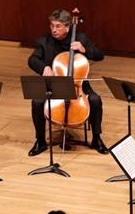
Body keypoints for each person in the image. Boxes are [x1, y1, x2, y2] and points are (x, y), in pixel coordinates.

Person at [27, 9, 106, 156]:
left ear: (68, 27)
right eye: (52, 26)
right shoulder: (44, 41)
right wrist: (44, 67)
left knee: (95, 100)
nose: (54, 30)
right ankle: (40, 141)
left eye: (58, 26)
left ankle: (96, 138)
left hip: (78, 85)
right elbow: (32, 60)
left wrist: (84, 49)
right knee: (37, 102)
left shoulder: (80, 38)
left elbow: (100, 55)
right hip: (54, 84)